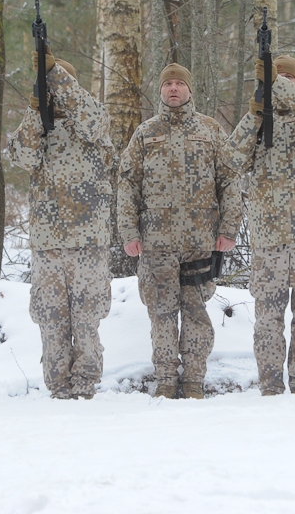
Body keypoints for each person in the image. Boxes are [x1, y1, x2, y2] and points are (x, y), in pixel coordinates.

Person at [118, 63, 241, 399]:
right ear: (160, 91)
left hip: (199, 244)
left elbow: (230, 181)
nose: (173, 89)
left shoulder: (210, 130)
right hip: (155, 245)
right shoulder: (145, 133)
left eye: (179, 84)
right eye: (167, 84)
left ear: (190, 90)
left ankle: (194, 381)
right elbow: (128, 184)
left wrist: (229, 228)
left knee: (196, 313)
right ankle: (165, 381)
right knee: (161, 313)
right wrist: (129, 232)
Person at [226, 55, 295, 395]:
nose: (284, 83)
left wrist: (277, 84)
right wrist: (255, 114)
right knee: (267, 322)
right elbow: (231, 160)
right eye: (279, 77)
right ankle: (271, 387)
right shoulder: (259, 122)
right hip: (269, 241)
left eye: (290, 78)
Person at [8, 52, 115, 399]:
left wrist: (55, 73)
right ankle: (57, 387)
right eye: (50, 87)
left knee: (86, 321)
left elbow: (94, 120)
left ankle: (85, 386)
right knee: (51, 321)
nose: (56, 93)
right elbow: (22, 155)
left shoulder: (93, 123)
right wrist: (37, 109)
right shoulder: (38, 128)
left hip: (88, 244)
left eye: (59, 87)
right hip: (48, 245)